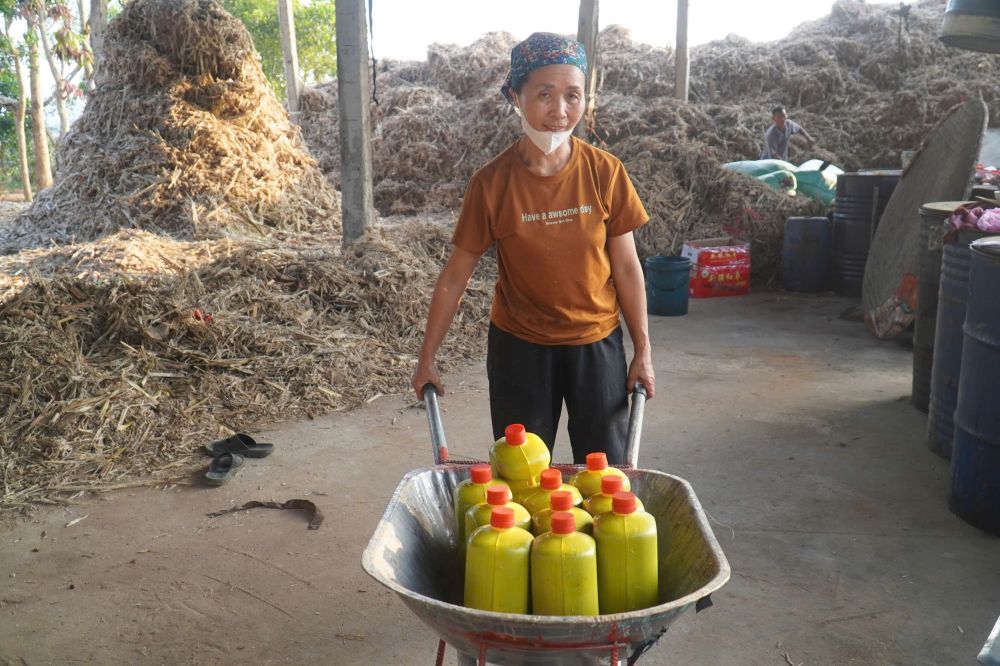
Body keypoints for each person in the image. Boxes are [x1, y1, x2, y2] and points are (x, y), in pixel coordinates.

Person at [410, 32, 655, 465]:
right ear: (515, 96)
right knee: (520, 477)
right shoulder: (491, 184)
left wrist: (643, 351)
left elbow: (628, 269)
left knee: (605, 477)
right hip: (520, 349)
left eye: (573, 96)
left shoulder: (605, 173)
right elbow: (455, 276)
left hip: (596, 347)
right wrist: (427, 357)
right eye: (545, 95)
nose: (561, 112)